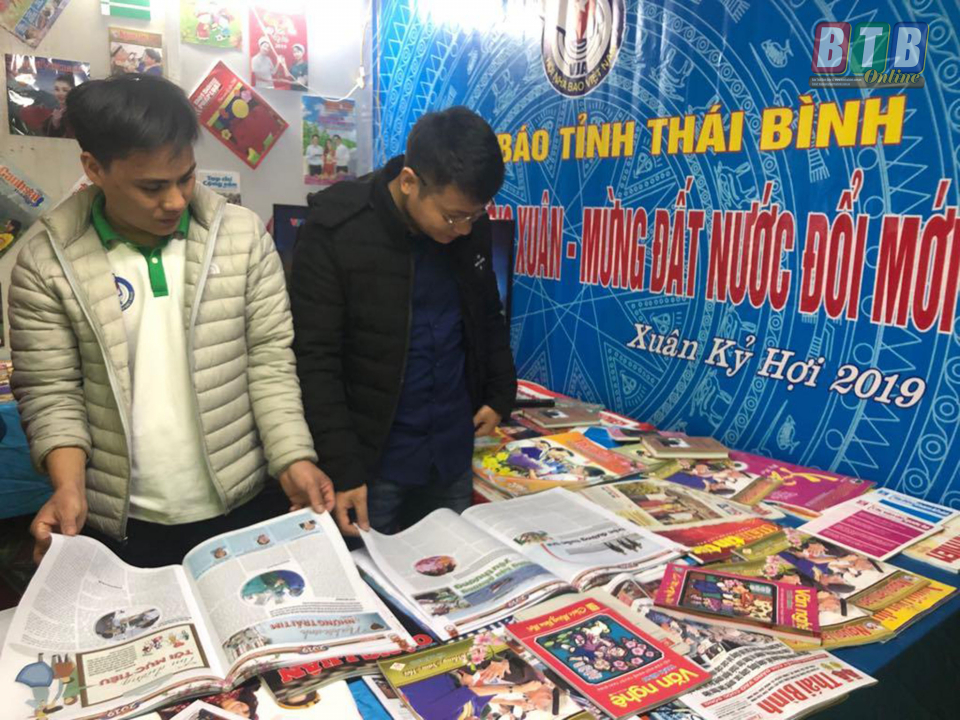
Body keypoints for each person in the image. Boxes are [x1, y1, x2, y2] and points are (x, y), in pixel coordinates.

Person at [8, 74, 333, 568]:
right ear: (94, 168)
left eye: (186, 177)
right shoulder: (47, 262)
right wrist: (68, 487)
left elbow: (269, 360)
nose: (176, 201)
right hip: (123, 520)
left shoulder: (241, 237)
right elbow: (52, 390)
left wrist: (293, 457)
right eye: (152, 187)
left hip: (243, 502)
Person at [291, 106, 516, 537]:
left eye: (473, 216)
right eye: (452, 217)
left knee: (451, 561)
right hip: (374, 460)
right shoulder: (337, 229)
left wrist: (500, 393)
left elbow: (487, 313)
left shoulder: (469, 225)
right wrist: (342, 466)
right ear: (410, 182)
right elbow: (315, 359)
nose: (464, 230)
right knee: (367, 568)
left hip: (449, 449)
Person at [42, 73, 74, 138]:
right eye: (57, 89)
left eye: (65, 90)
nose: (60, 93)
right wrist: (55, 123)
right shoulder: (53, 110)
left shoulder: (76, 112)